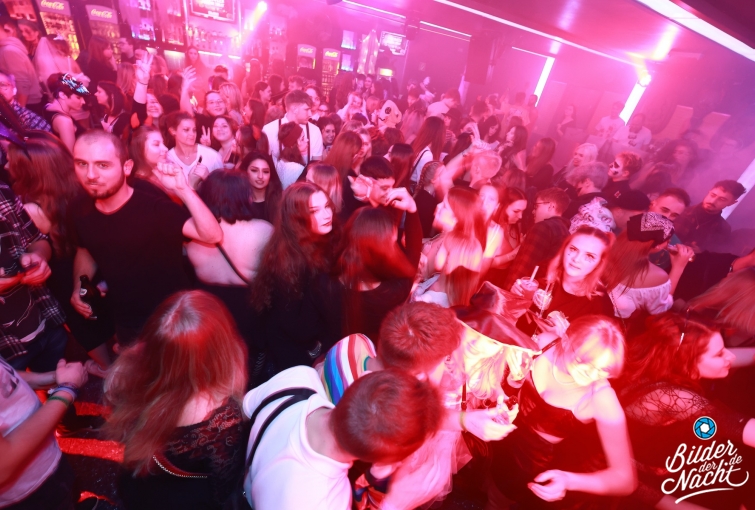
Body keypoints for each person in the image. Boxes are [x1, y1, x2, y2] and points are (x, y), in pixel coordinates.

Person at [70, 131, 222, 347]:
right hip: (127, 322)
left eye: (103, 165)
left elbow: (212, 235)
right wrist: (79, 285)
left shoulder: (154, 208)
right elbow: (85, 249)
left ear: (127, 167)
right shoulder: (78, 209)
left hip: (173, 318)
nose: (91, 175)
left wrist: (183, 189)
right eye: (82, 164)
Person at [104, 291, 248, 510]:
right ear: (219, 349)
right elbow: (224, 492)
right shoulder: (222, 418)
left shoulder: (124, 371)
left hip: (139, 482)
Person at [242, 366, 443, 510]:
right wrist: (394, 504)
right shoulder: (329, 501)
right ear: (383, 462)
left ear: (362, 377)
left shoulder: (301, 378)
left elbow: (245, 409)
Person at [489, 315, 636, 509]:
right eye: (584, 361)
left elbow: (625, 480)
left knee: (495, 501)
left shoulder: (602, 400)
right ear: (565, 341)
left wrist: (568, 481)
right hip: (492, 432)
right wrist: (511, 384)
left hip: (523, 467)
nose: (592, 375)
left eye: (604, 369)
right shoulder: (543, 343)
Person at [617, 312, 754, 509]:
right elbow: (735, 425)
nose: (730, 356)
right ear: (686, 362)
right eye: (719, 354)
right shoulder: (669, 397)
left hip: (687, 455)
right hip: (665, 483)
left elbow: (742, 357)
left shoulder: (666, 360)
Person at [7, 133, 113, 372]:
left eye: (10, 162)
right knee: (102, 310)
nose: (5, 166)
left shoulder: (30, 208)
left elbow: (26, 250)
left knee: (82, 323)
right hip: (91, 260)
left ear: (28, 171)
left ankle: (107, 368)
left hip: (62, 275)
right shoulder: (80, 188)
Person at [250, 182, 341, 373]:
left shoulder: (322, 241)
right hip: (296, 356)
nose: (326, 215)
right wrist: (318, 349)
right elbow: (299, 327)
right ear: (296, 218)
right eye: (314, 211)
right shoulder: (291, 260)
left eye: (327, 206)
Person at [0, 356, 88, 509]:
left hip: (46, 459)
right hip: (27, 492)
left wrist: (51, 378)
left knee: (70, 494)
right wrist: (67, 390)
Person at [338, 188, 421, 341]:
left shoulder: (327, 281)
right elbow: (413, 254)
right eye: (393, 239)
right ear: (385, 249)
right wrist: (412, 209)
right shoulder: (394, 291)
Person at [0, 179, 66, 372]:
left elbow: (38, 240)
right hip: (6, 353)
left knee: (61, 383)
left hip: (45, 320)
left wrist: (39, 257)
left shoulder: (3, 191)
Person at [513, 226, 615, 337]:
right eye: (573, 249)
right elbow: (514, 315)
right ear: (564, 248)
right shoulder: (542, 271)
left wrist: (563, 338)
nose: (576, 259)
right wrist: (514, 296)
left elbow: (595, 347)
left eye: (589, 256)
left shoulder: (601, 307)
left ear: (599, 263)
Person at [603, 212, 694, 320]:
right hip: (610, 323)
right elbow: (660, 310)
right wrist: (678, 268)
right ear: (658, 245)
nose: (668, 244)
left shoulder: (603, 245)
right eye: (668, 241)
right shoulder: (655, 275)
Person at [502, 187, 571, 289]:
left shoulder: (543, 227)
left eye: (536, 206)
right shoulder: (566, 232)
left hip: (519, 290)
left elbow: (524, 267)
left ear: (550, 206)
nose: (533, 212)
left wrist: (508, 290)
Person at [673, 180, 745, 253]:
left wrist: (701, 253)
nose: (712, 201)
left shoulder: (723, 230)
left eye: (722, 199)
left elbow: (713, 256)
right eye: (713, 195)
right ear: (709, 191)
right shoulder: (680, 211)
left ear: (732, 203)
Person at [262, 89, 323, 164]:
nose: (310, 114)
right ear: (294, 109)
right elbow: (264, 162)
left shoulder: (314, 131)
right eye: (306, 109)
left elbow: (317, 165)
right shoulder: (269, 130)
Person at [164, 112, 223, 188]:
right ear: (173, 131)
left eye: (194, 130)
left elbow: (223, 189)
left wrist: (208, 178)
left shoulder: (212, 156)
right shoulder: (167, 158)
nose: (192, 134)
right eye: (186, 130)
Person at [0, 19, 43, 113]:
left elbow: (23, 83)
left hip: (27, 104)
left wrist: (19, 111)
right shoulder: (7, 48)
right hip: (25, 102)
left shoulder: (8, 50)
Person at [44, 73, 87, 152]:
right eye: (78, 97)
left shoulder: (48, 107)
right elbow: (70, 154)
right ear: (62, 95)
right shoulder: (64, 121)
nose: (83, 102)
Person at [239, 151, 282, 223]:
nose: (260, 176)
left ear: (271, 174)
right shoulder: (236, 201)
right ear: (245, 171)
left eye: (265, 172)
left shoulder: (280, 202)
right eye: (254, 170)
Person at [409, 116, 445, 184]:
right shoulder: (427, 155)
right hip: (413, 188)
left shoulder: (419, 146)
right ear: (438, 134)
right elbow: (422, 183)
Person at [275, 122, 307, 189]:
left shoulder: (281, 161)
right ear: (293, 145)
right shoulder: (298, 169)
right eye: (302, 139)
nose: (307, 140)